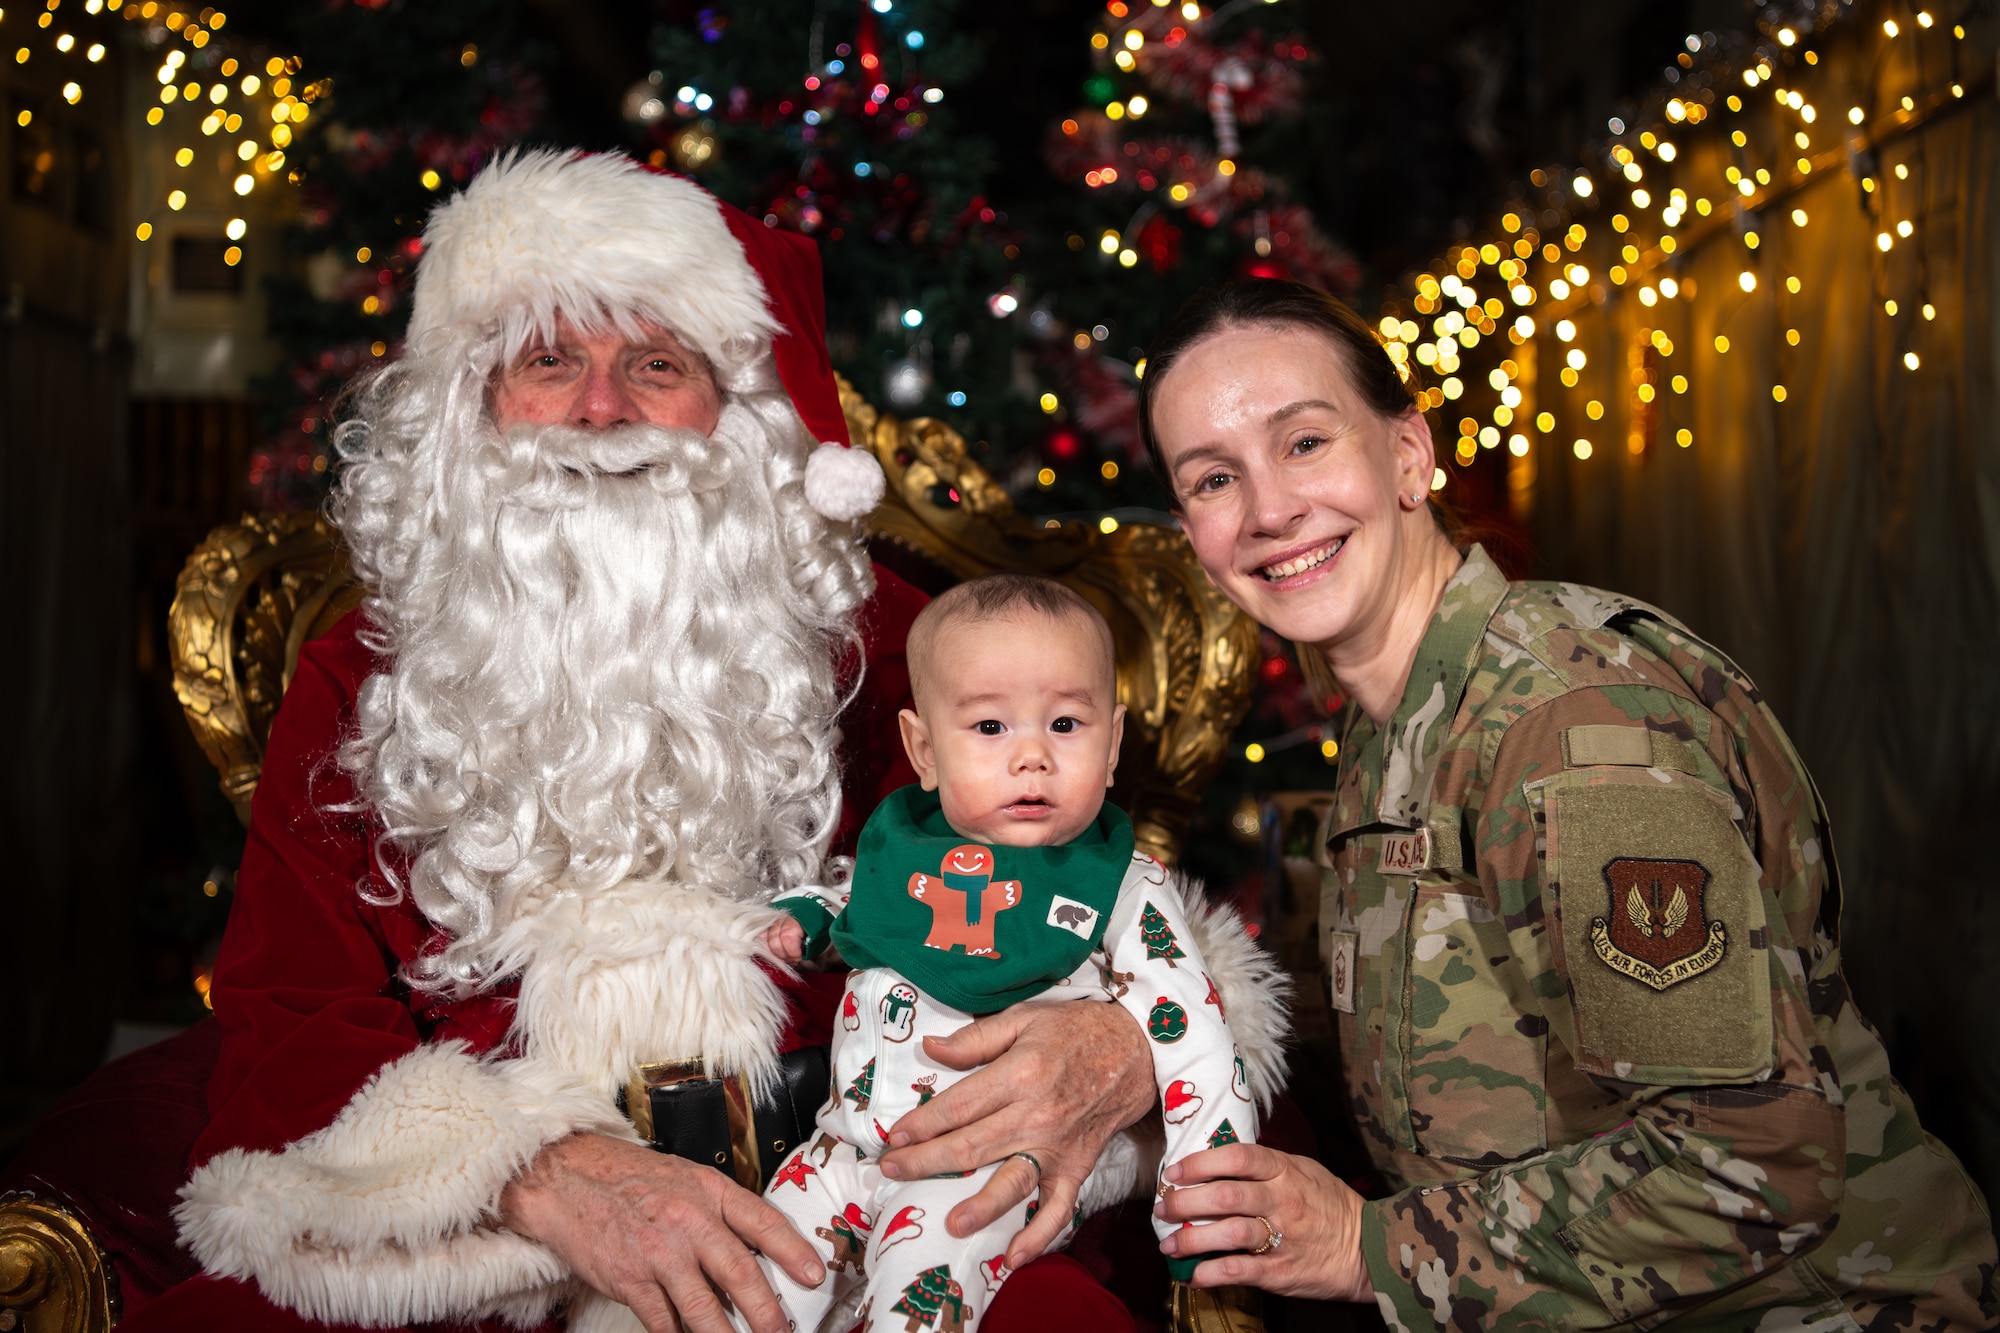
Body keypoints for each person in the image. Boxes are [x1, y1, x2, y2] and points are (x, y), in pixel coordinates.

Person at [136, 151, 1292, 1333]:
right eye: (549, 360)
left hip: (853, 1221)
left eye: (654, 364)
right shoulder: (365, 681)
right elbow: (291, 1011)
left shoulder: (895, 648)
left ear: (735, 412)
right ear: (473, 401)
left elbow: (1090, 887)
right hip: (498, 1249)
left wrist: (1115, 1044)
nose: (599, 410)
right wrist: (533, 1173)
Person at [1130, 277, 1999, 1329]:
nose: (1269, 510)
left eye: (1304, 442)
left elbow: (1754, 1160)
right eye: (1214, 479)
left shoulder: (1569, 721)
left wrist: (1367, 1248)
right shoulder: (1388, 717)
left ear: (1408, 454)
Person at [751, 574, 1273, 1332]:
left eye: (1065, 724)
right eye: (991, 728)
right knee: (753, 1296)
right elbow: (885, 915)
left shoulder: (1120, 887)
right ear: (923, 750)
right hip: (837, 1151)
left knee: (916, 1308)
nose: (1032, 756)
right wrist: (819, 919)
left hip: (980, 1171)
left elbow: (1195, 1032)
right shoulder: (912, 847)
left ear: (1114, 742)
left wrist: (1209, 1211)